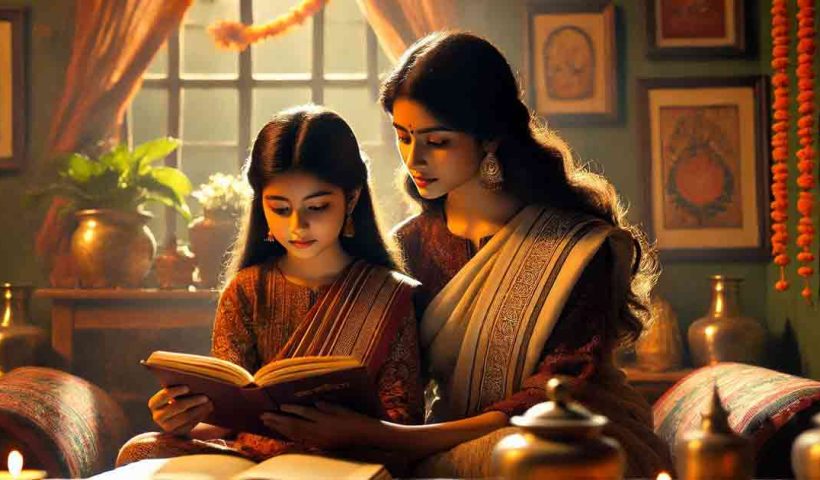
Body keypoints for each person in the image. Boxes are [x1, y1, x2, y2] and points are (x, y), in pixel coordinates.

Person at [259, 32, 673, 478]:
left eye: (437, 142)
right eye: (402, 137)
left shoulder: (576, 248)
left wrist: (389, 438)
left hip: (574, 443)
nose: (414, 159)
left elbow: (559, 391)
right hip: (443, 438)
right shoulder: (410, 246)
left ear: (490, 138)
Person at [116, 105, 424, 469]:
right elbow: (229, 415)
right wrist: (182, 420)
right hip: (250, 460)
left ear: (351, 199)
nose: (298, 226)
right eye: (279, 209)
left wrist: (348, 431)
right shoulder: (247, 290)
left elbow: (403, 420)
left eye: (318, 207)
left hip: (348, 459)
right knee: (141, 449)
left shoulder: (387, 294)